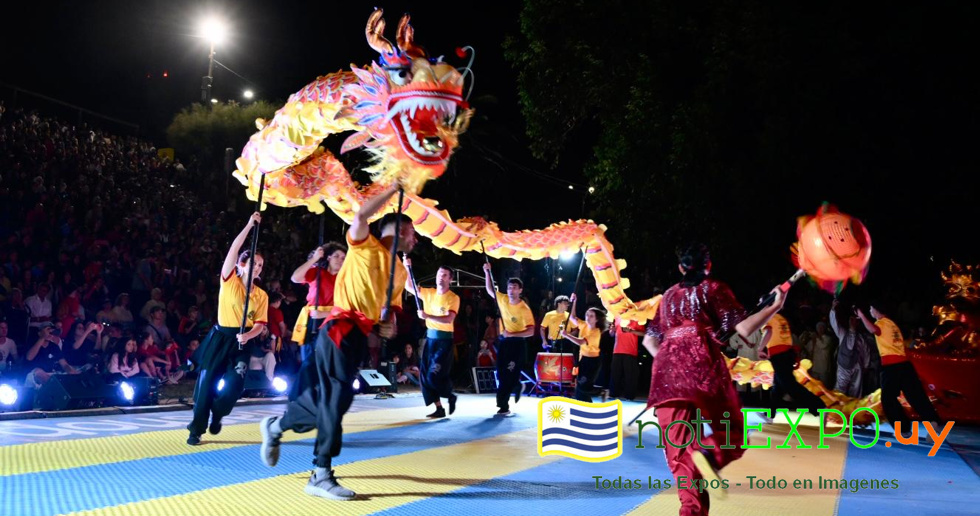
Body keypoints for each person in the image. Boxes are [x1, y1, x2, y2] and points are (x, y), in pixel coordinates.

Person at [259, 184, 413, 501]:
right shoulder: (364, 245)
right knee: (333, 398)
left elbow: (390, 315)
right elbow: (360, 215)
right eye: (410, 233)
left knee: (336, 402)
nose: (415, 239)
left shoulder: (398, 270)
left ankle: (277, 427)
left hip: (357, 336)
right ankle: (320, 473)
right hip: (338, 328)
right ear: (394, 231)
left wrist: (388, 327)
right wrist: (393, 189)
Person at [645, 243, 787, 515]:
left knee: (679, 457)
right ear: (708, 266)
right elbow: (745, 329)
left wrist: (670, 363)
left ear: (680, 268)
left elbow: (650, 341)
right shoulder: (714, 288)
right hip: (702, 369)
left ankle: (693, 498)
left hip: (666, 376)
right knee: (732, 434)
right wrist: (775, 305)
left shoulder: (667, 297)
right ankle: (708, 456)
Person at [186, 212, 269, 445]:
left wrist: (248, 335)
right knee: (205, 386)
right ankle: (196, 430)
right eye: (254, 263)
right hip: (220, 337)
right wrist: (249, 224)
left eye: (261, 265)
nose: (258, 268)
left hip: (242, 343)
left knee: (234, 385)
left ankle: (219, 413)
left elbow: (260, 325)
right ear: (242, 264)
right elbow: (235, 247)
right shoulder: (229, 278)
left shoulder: (261, 295)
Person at [857, 303, 941, 435]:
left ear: (877, 310)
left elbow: (873, 330)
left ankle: (904, 429)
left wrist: (862, 316)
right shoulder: (892, 324)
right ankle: (932, 421)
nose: (870, 311)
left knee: (888, 399)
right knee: (916, 396)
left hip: (892, 367)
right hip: (905, 365)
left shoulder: (882, 323)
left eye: (871, 309)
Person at [405, 261, 460, 418]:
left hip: (444, 341)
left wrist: (427, 316)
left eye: (444, 275)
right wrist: (407, 266)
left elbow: (449, 318)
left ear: (450, 279)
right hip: (430, 339)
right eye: (438, 274)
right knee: (424, 377)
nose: (440, 278)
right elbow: (409, 286)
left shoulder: (453, 298)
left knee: (433, 376)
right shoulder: (429, 293)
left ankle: (450, 395)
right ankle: (439, 408)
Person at [483, 264, 535, 416]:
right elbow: (490, 290)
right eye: (509, 287)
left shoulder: (524, 308)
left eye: (514, 288)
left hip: (517, 344)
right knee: (500, 373)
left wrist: (512, 334)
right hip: (504, 342)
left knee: (508, 373)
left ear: (520, 290)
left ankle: (503, 406)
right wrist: (487, 272)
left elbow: (531, 331)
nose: (511, 290)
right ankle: (517, 386)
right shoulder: (503, 299)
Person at [759, 313, 826, 416]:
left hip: (779, 354)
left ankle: (819, 406)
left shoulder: (768, 317)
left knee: (790, 386)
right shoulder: (780, 318)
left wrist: (760, 348)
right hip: (786, 353)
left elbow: (768, 331)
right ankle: (770, 412)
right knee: (778, 386)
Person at [290, 242, 346, 362]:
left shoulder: (345, 280)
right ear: (328, 257)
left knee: (326, 359)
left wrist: (324, 314)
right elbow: (295, 278)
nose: (340, 260)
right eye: (336, 256)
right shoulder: (318, 272)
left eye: (343, 258)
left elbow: (347, 307)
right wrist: (315, 258)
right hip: (312, 319)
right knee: (308, 358)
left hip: (332, 320)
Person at [560, 293, 606, 402]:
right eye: (587, 315)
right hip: (583, 359)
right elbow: (572, 317)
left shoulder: (596, 332)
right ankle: (586, 407)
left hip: (592, 362)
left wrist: (567, 335)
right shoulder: (584, 325)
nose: (588, 317)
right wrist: (574, 301)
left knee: (583, 387)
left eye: (591, 316)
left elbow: (581, 342)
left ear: (597, 319)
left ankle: (601, 392)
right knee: (580, 388)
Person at [609, 316, 645, 400]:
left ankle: (629, 395)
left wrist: (631, 331)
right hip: (617, 350)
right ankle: (613, 394)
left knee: (630, 375)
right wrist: (612, 330)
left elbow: (643, 333)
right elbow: (611, 334)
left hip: (630, 350)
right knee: (615, 374)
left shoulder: (636, 318)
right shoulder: (617, 317)